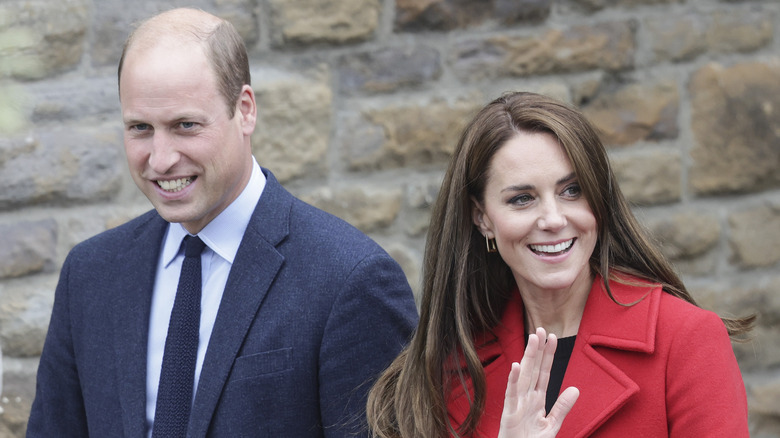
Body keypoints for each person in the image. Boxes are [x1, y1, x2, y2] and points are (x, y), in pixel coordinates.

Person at [27, 8, 418, 437]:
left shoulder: (350, 279)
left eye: (186, 125)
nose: (160, 158)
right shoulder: (90, 273)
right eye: (140, 127)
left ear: (245, 110)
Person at [367, 91, 754, 437]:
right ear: (482, 217)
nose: (553, 219)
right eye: (522, 198)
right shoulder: (450, 365)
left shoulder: (685, 341)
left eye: (572, 190)